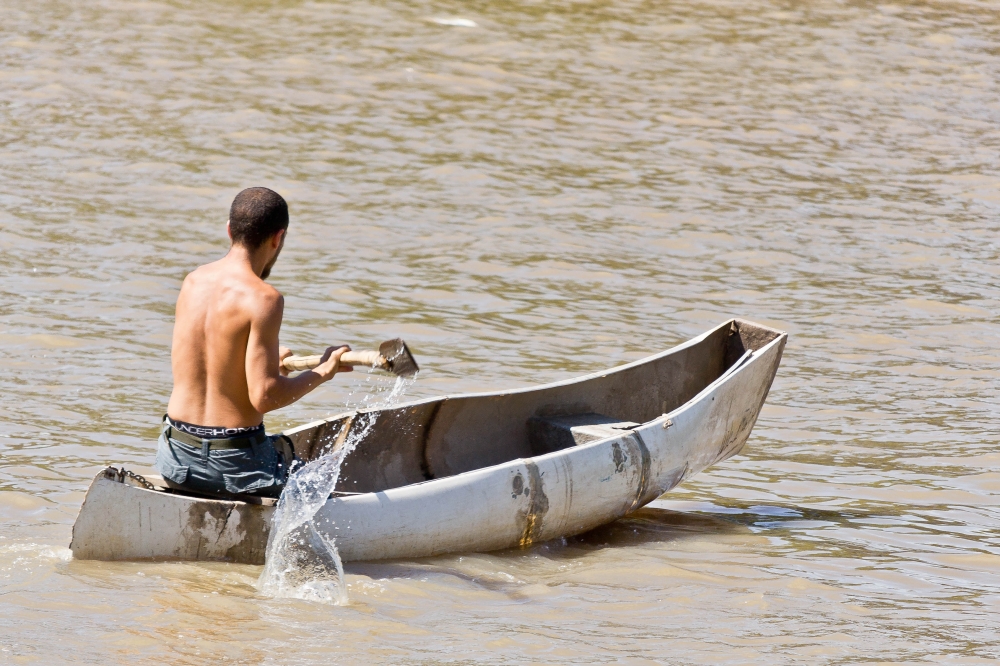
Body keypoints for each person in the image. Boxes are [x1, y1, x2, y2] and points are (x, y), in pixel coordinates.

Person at [155, 187, 351, 497]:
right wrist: (323, 372)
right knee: (325, 477)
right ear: (278, 238)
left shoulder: (192, 281)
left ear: (229, 230)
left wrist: (270, 366)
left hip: (176, 457)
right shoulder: (265, 298)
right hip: (235, 464)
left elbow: (208, 367)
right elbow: (265, 397)